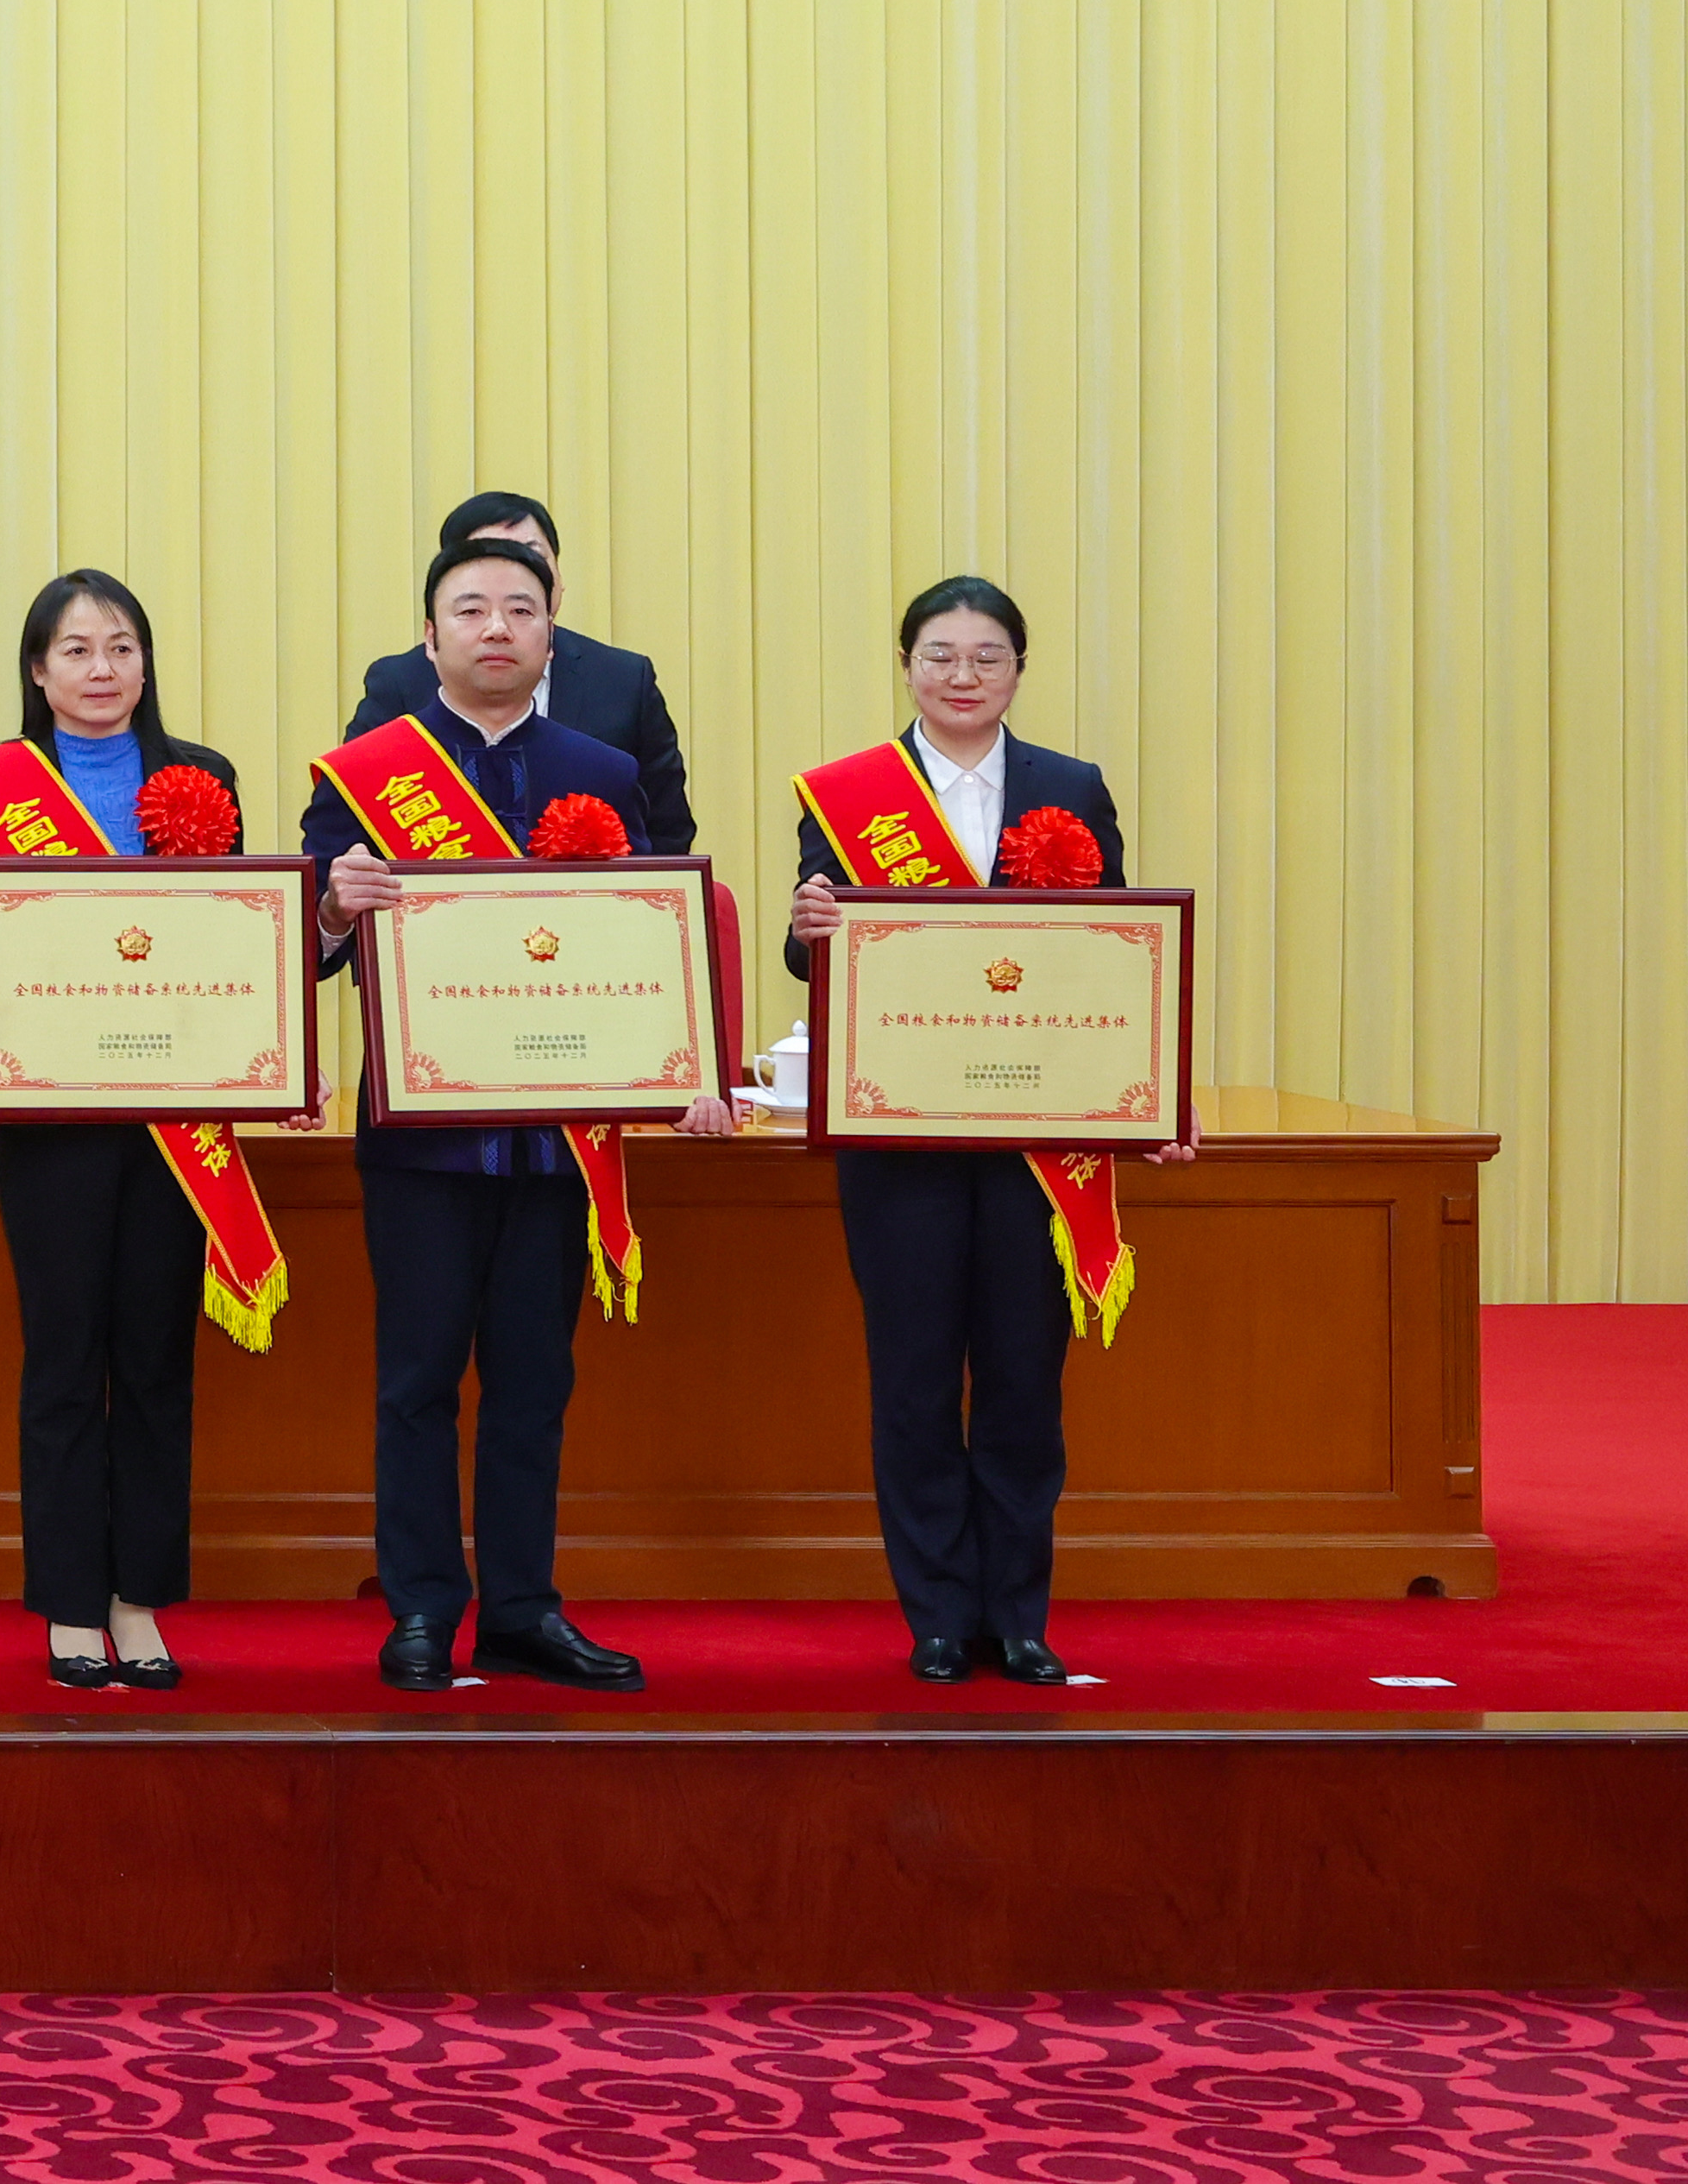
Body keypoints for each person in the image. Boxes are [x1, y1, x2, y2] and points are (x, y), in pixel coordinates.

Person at [310, 531, 716, 1695]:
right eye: (471, 608)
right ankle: (421, 1608)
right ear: (429, 634)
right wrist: (334, 906)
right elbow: (312, 949)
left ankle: (525, 1609)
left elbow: (651, 937)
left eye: (520, 609)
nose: (496, 627)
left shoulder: (604, 767)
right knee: (417, 1383)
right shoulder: (366, 772)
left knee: (534, 1385)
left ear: (551, 632)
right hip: (420, 1140)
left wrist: (685, 1062)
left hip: (556, 1141)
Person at [786, 576, 1187, 1688]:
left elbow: (1115, 952)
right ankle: (934, 1614)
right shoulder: (846, 795)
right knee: (913, 1379)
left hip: (1031, 1140)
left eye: (985, 657)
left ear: (1016, 668)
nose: (960, 675)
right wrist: (804, 927)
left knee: (1020, 1379)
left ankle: (1016, 1614)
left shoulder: (1070, 785)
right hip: (898, 1133)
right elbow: (809, 951)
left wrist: (1151, 1091)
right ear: (904, 664)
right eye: (939, 654)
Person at [0, 569, 257, 1694]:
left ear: (144, 663)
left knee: (155, 1360)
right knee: (64, 1359)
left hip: (173, 1115)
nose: (100, 668)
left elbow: (236, 937)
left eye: (120, 646)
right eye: (75, 649)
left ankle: (137, 1597)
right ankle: (71, 1602)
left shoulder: (203, 777)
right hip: (51, 1114)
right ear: (38, 668)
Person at [348, 491, 699, 854]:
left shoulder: (624, 681)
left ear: (557, 577)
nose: (497, 627)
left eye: (531, 556)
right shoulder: (397, 682)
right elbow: (347, 833)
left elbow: (666, 837)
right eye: (489, 556)